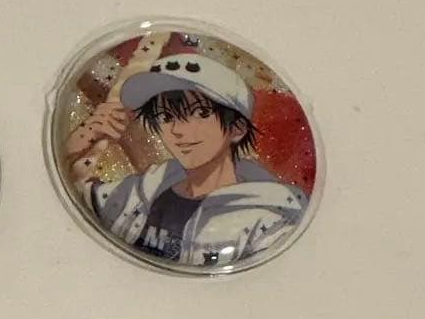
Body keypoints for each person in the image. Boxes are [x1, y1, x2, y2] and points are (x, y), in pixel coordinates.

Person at [64, 54, 308, 267]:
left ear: (237, 128)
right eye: (165, 116)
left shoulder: (267, 222)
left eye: (200, 113)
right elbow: (77, 193)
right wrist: (78, 142)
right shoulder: (142, 191)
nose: (177, 130)